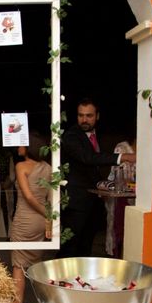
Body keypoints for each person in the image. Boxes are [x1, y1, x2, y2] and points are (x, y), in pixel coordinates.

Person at [57, 98, 136, 258]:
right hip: (75, 204)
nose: (84, 120)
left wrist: (101, 183)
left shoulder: (94, 135)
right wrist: (123, 157)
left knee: (86, 247)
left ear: (97, 116)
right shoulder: (71, 135)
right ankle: (63, 281)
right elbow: (88, 157)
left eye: (89, 115)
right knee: (70, 248)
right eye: (81, 115)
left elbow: (90, 168)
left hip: (92, 202)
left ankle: (82, 281)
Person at [10, 133, 53, 303]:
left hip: (25, 220)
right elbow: (51, 198)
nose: (18, 147)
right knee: (36, 264)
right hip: (40, 223)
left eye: (21, 144)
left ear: (29, 147)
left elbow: (28, 196)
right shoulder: (49, 168)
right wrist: (48, 219)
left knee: (19, 265)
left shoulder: (21, 166)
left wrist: (44, 212)